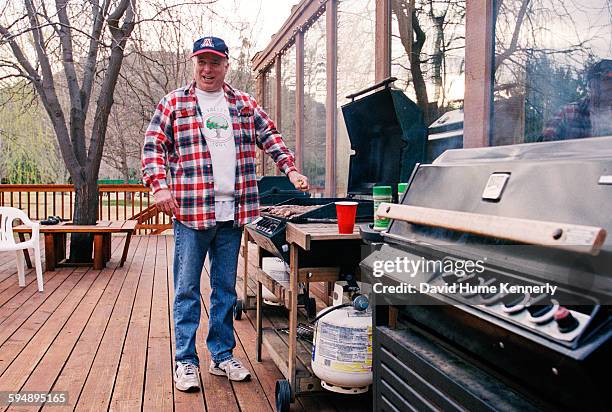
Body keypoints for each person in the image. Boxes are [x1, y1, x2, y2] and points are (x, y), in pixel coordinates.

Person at [142, 36, 309, 392]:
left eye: (214, 62)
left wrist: (291, 170)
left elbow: (271, 137)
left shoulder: (244, 105)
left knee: (224, 291)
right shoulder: (174, 103)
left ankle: (221, 355)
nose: (207, 69)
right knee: (186, 290)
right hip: (190, 213)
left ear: (226, 65)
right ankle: (185, 361)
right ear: (194, 64)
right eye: (201, 62)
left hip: (232, 215)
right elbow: (153, 146)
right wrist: (159, 185)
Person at [542, 59, 612, 140]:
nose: (610, 85)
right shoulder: (568, 113)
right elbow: (543, 147)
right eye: (607, 79)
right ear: (592, 85)